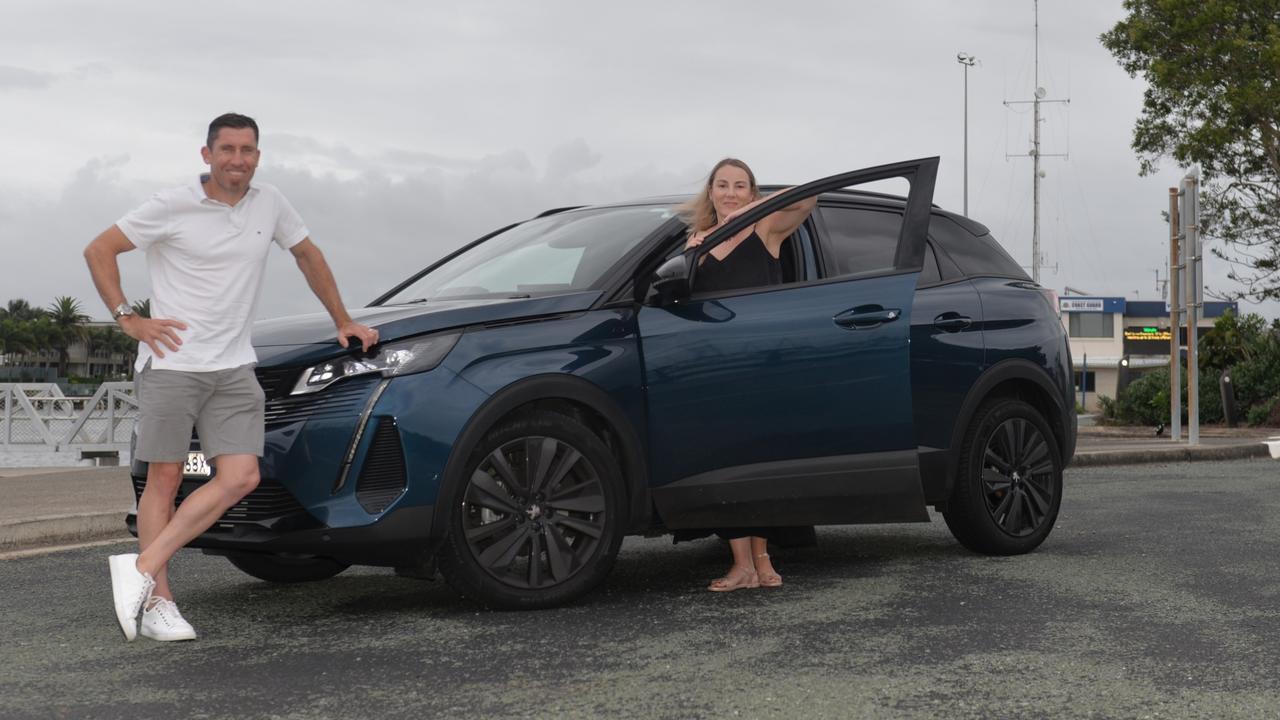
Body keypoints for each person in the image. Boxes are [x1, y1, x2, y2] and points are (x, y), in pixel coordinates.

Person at [84, 112, 378, 642]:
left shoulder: (271, 203)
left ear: (257, 157)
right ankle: (158, 603)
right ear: (207, 155)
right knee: (165, 480)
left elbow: (307, 255)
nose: (237, 160)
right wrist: (128, 317)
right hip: (173, 364)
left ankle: (141, 567)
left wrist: (343, 320)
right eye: (227, 150)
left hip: (235, 366)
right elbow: (99, 249)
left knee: (241, 476)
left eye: (247, 151)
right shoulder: (171, 204)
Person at [678, 157, 817, 591]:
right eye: (722, 185)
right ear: (710, 191)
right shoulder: (694, 241)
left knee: (760, 462)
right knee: (725, 463)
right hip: (715, 364)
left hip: (763, 361)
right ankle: (741, 565)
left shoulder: (764, 229)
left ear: (751, 192)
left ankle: (762, 560)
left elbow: (810, 198)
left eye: (740, 186)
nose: (730, 193)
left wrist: (752, 211)